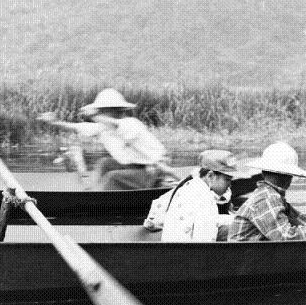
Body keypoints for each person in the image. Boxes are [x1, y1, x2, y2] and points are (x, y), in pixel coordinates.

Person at [38, 88, 173, 190]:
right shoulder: (103, 128)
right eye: (100, 111)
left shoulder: (130, 124)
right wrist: (55, 122)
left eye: (103, 110)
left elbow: (115, 125)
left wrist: (94, 115)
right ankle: (94, 191)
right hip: (139, 167)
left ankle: (99, 198)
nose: (101, 114)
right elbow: (79, 127)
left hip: (155, 170)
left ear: (117, 111)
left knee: (112, 177)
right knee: (104, 163)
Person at [144, 150, 244, 242]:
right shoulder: (203, 198)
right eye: (227, 180)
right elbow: (203, 241)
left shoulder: (191, 186)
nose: (230, 185)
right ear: (210, 176)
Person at [228, 142, 306, 241]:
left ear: (263, 172)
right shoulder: (267, 198)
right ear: (288, 176)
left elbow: (298, 218)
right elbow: (286, 238)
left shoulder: (270, 195)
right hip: (244, 251)